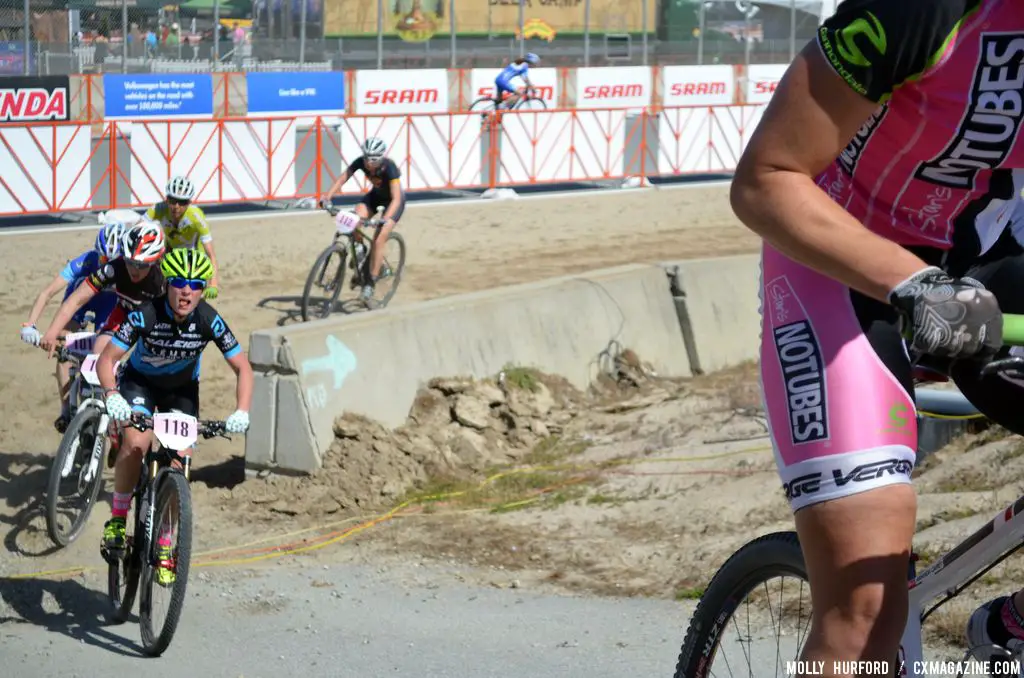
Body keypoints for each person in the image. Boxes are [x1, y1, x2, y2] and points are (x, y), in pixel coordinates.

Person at [729, 1, 1024, 674]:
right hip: (834, 262)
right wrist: (914, 285)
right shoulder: (926, 8)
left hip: (983, 250)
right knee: (865, 609)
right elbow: (764, 181)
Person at [95, 247, 252, 585]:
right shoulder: (145, 315)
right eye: (179, 282)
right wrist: (111, 395)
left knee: (179, 461)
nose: (186, 291)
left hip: (181, 393)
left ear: (202, 289)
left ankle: (166, 541)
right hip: (140, 385)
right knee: (136, 442)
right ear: (167, 283)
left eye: (195, 284)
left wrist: (242, 410)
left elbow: (243, 367)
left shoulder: (209, 319)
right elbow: (106, 361)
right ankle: (119, 519)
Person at [21, 222, 124, 432]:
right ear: (97, 253)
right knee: (62, 344)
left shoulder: (125, 268)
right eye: (104, 258)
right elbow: (48, 292)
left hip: (107, 306)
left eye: (113, 260)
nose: (107, 265)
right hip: (80, 301)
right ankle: (65, 408)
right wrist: (31, 325)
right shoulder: (85, 262)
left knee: (102, 350)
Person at [39, 221, 167, 362]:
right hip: (125, 312)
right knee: (99, 355)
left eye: (140, 265)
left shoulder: (164, 277)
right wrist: (52, 332)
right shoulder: (114, 268)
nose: (133, 269)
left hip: (158, 319)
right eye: (129, 262)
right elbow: (76, 300)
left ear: (155, 261)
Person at [321, 137, 403, 306]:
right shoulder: (361, 162)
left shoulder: (390, 168)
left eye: (371, 159)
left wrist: (385, 220)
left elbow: (396, 198)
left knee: (379, 239)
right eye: (365, 157)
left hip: (393, 202)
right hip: (375, 197)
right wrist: (327, 197)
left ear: (379, 158)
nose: (366, 162)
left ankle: (370, 283)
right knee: (354, 219)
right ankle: (360, 247)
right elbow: (343, 178)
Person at [145, 175, 221, 299]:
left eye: (182, 202)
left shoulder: (196, 216)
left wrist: (213, 284)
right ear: (166, 199)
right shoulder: (159, 208)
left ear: (189, 203)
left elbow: (211, 255)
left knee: (191, 296)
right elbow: (137, 228)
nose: (176, 206)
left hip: (194, 255)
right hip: (171, 252)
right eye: (172, 200)